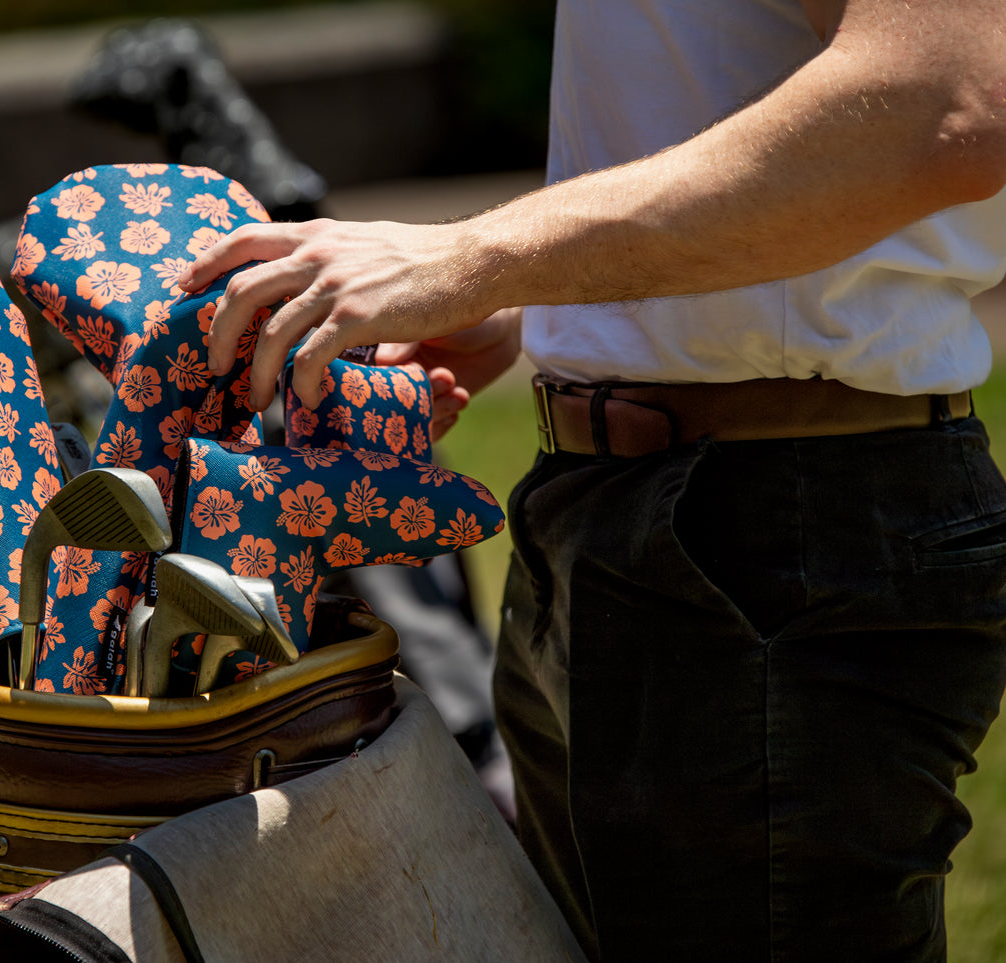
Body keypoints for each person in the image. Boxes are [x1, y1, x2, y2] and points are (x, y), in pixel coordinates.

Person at [179, 0, 1006, 959]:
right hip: (641, 512)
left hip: (767, 528)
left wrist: (473, 257)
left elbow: (946, 101)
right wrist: (547, 311)